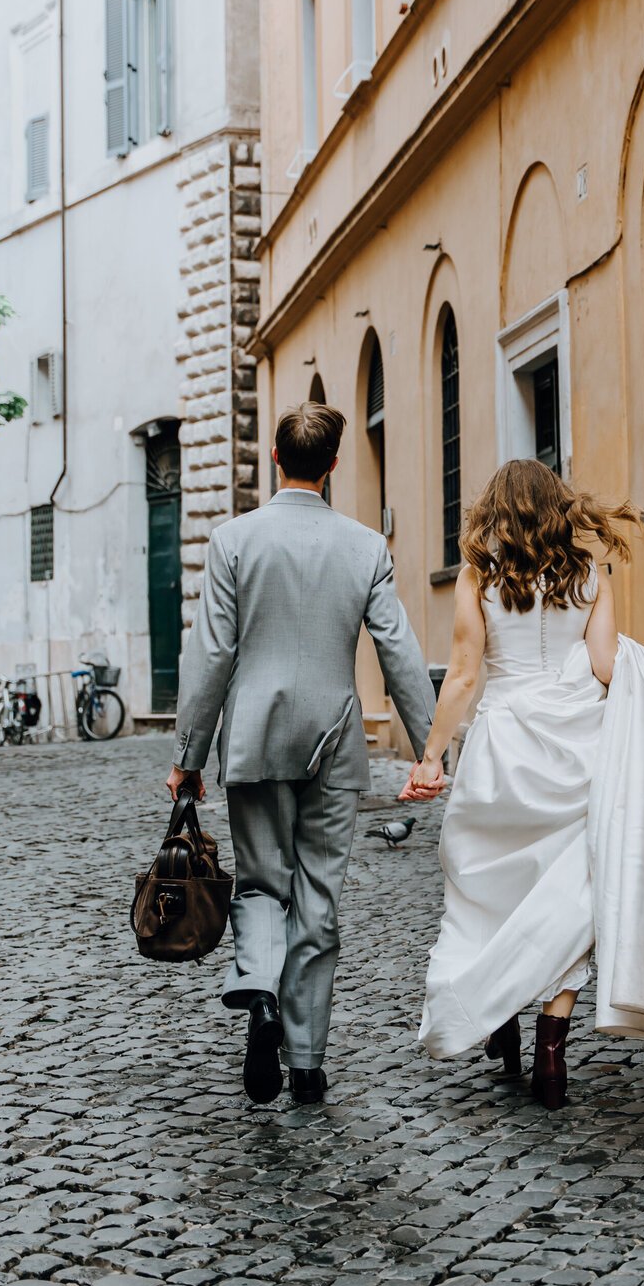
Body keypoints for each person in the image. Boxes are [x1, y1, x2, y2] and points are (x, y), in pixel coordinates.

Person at [404, 458, 644, 1110]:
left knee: (486, 895)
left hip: (502, 756)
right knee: (572, 900)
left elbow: (462, 674)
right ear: (558, 509)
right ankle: (551, 1048)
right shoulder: (588, 574)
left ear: (495, 512)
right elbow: (605, 666)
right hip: (576, 751)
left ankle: (496, 1013)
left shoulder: (479, 575)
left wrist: (431, 757)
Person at [168, 402, 437, 1109]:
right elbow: (399, 650)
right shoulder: (366, 547)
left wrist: (189, 754)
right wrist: (429, 748)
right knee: (319, 896)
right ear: (335, 465)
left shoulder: (232, 541)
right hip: (334, 741)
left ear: (276, 458)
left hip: (254, 738)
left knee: (262, 884)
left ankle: (259, 991)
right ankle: (309, 1064)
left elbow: (211, 656)